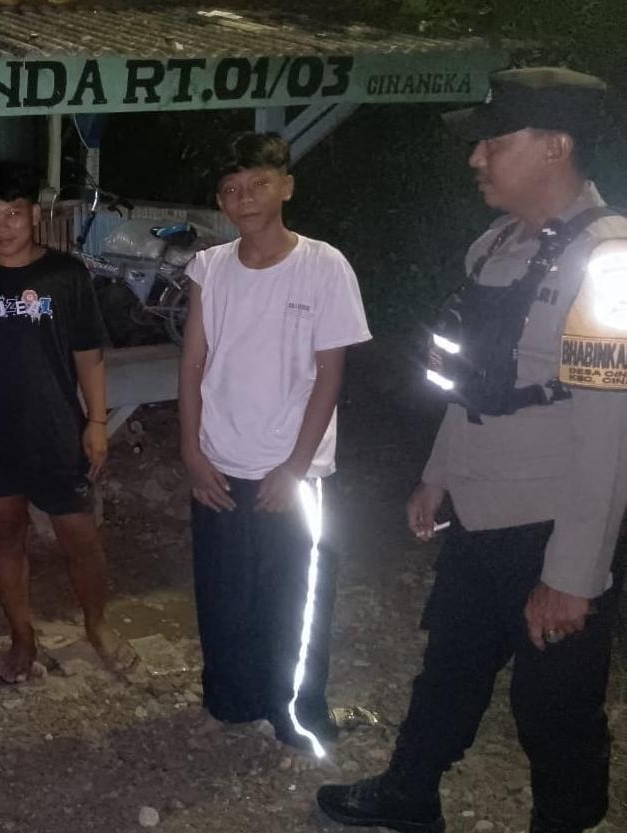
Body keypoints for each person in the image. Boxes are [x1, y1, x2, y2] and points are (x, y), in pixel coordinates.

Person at [317, 67, 627, 833]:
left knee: (554, 704)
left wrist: (573, 575)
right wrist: (437, 474)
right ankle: (409, 795)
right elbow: (474, 383)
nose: (475, 157)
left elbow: (611, 434)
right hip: (482, 509)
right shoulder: (496, 247)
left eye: (494, 141)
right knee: (449, 664)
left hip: (552, 522)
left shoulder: (608, 261)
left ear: (555, 146)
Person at [178, 132, 371, 752]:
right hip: (219, 460)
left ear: (286, 186)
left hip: (293, 469)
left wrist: (294, 468)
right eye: (231, 189)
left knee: (296, 597)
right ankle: (230, 702)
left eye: (258, 183)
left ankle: (297, 717)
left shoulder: (324, 265)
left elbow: (329, 374)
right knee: (224, 592)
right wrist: (191, 452)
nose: (245, 198)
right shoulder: (210, 268)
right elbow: (192, 364)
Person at [0, 161, 135, 684]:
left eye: (13, 214)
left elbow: (89, 354)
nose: (2, 227)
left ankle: (98, 625)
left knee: (81, 536)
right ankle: (22, 637)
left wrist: (96, 421)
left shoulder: (65, 275)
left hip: (55, 428)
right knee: (5, 533)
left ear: (35, 216)